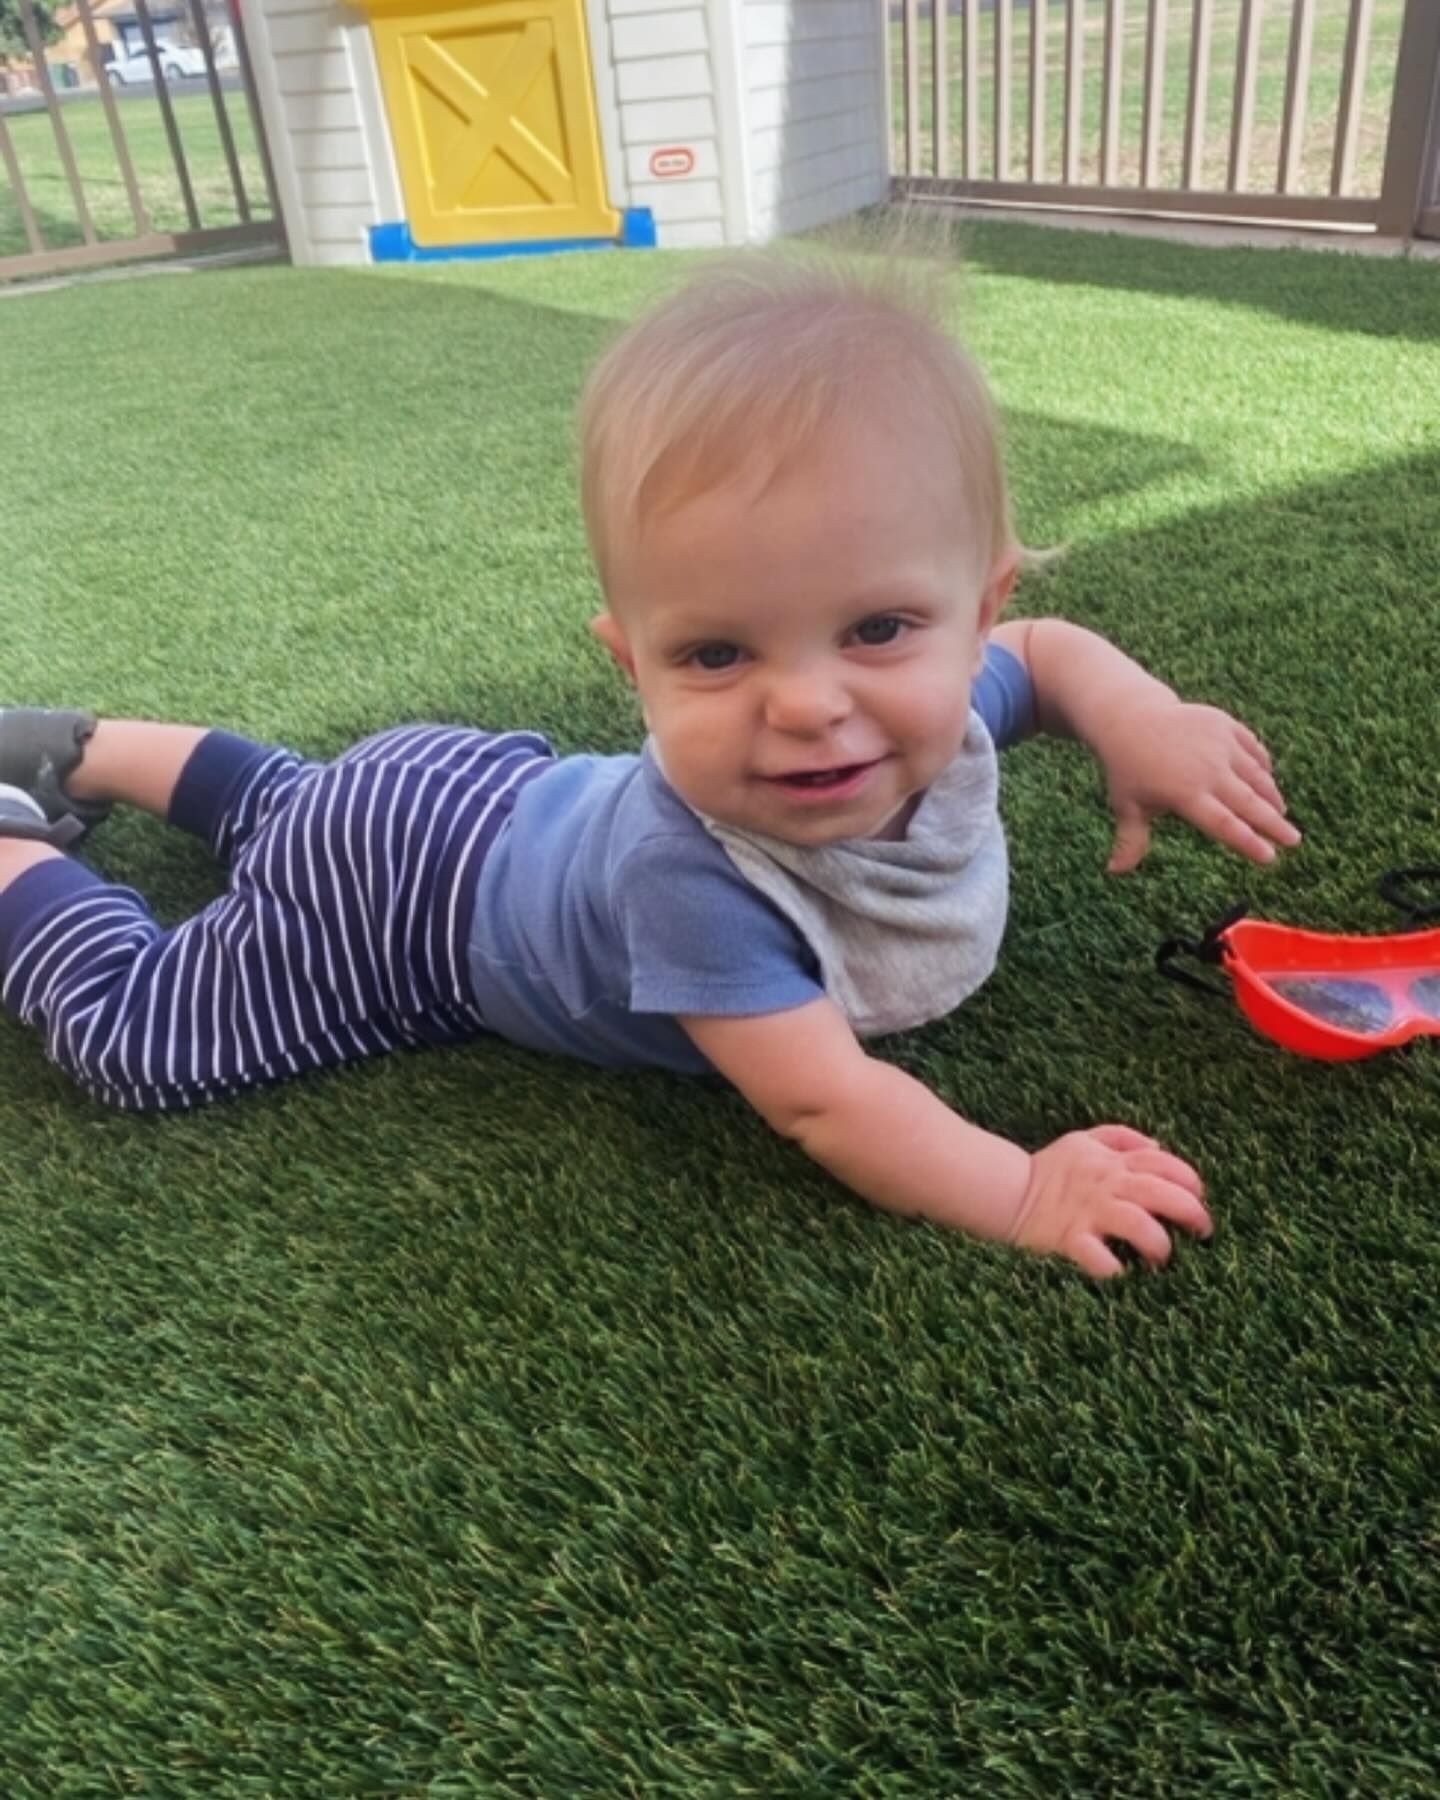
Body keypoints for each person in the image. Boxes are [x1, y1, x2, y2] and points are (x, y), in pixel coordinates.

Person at [0, 256, 1299, 1277]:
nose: (807, 706)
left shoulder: (962, 698)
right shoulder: (696, 874)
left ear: (973, 614)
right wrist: (1021, 1188)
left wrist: (1142, 714)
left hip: (464, 790)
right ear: (634, 666)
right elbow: (829, 1103)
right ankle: (19, 842)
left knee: (296, 801)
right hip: (406, 916)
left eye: (878, 629)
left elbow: (1054, 652)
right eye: (720, 654)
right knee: (146, 1038)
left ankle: (101, 747)